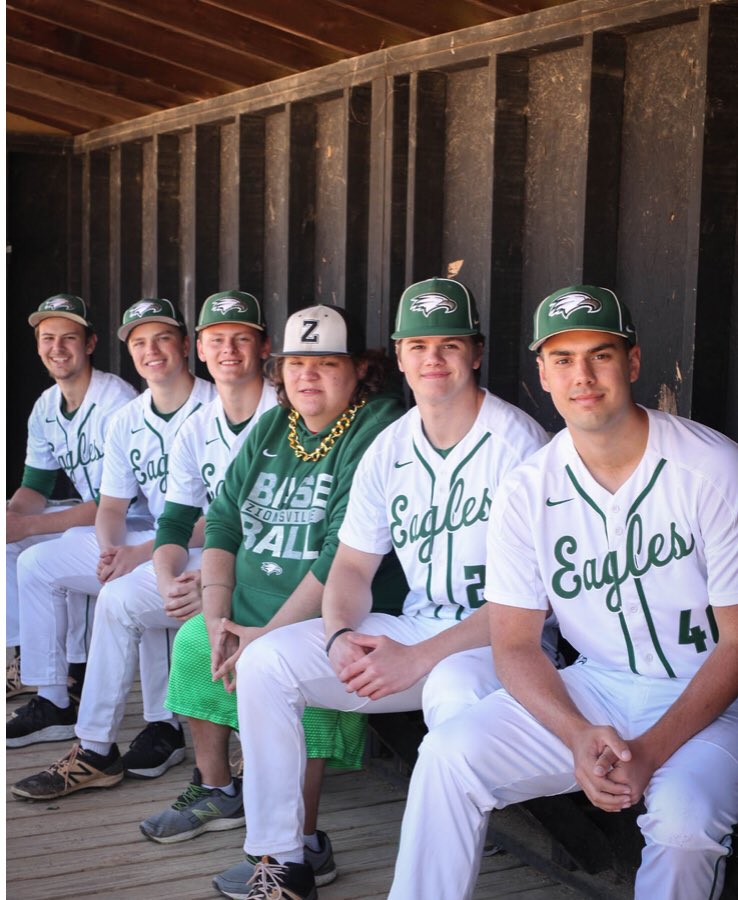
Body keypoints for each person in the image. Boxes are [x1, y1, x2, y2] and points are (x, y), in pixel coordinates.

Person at [388, 284, 738, 900]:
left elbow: (736, 643)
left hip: (712, 698)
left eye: (601, 355)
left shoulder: (713, 470)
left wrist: (651, 750)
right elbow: (515, 644)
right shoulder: (527, 488)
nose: (583, 376)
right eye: (563, 359)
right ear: (543, 374)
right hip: (598, 685)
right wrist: (575, 733)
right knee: (448, 754)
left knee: (685, 821)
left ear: (632, 363)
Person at [217, 277, 554, 900]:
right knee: (267, 662)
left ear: (476, 353)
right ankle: (285, 859)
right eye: (418, 345)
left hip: (501, 645)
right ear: (399, 355)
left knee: (452, 689)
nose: (433, 359)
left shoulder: (520, 447)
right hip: (416, 629)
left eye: (449, 345)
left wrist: (419, 657)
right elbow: (350, 567)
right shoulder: (390, 445)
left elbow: (529, 609)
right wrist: (339, 634)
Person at [142, 303, 406, 886]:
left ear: (360, 369)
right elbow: (223, 522)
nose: (308, 375)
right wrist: (218, 618)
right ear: (280, 370)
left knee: (286, 673)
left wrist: (267, 634)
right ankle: (217, 789)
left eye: (327, 363)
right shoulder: (276, 425)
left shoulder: (376, 426)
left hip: (332, 609)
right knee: (195, 641)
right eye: (296, 363)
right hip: (256, 600)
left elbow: (340, 552)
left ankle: (304, 844)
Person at [9, 298, 215, 790]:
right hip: (148, 536)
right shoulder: (132, 417)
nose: (152, 350)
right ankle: (55, 697)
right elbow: (110, 507)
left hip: (197, 544)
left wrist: (137, 554)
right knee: (37, 562)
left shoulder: (214, 407)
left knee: (137, 586)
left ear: (187, 346)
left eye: (163, 339)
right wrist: (109, 551)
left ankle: (159, 725)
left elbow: (222, 520)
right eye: (140, 342)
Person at [6, 294, 137, 699]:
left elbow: (117, 504)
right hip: (95, 514)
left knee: (61, 543)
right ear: (38, 346)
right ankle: (20, 658)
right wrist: (12, 518)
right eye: (48, 338)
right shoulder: (46, 406)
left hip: (135, 521)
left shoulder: (116, 401)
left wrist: (28, 526)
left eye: (69, 338)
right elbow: (36, 486)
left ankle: (70, 670)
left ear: (90, 343)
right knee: (8, 540)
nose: (57, 348)